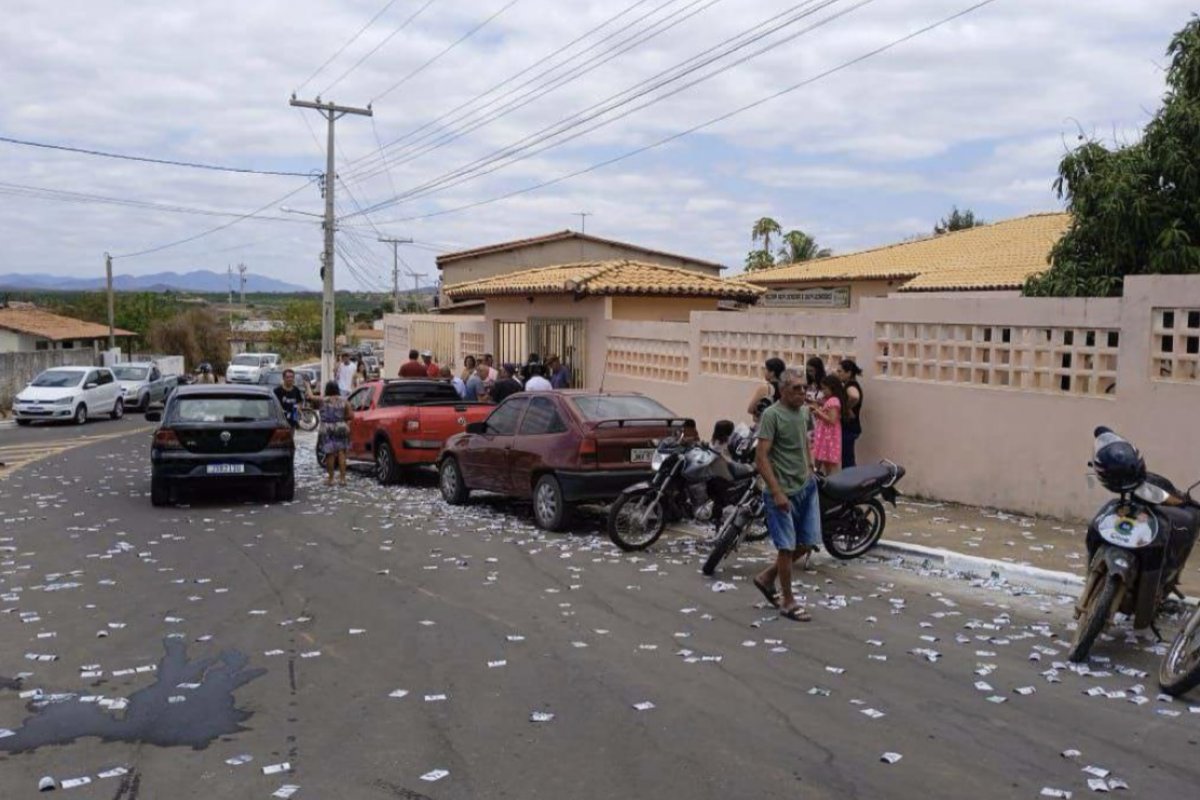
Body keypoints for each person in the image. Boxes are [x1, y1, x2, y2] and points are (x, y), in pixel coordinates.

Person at [752, 368, 818, 622]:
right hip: (781, 492)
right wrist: (777, 492)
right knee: (787, 547)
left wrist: (810, 466)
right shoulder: (772, 415)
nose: (802, 392)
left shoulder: (804, 413)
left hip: (805, 486)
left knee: (807, 542)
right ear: (782, 391)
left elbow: (804, 441)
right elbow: (761, 457)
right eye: (796, 388)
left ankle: (767, 577)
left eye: (804, 387)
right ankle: (788, 601)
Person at [317, 380, 353, 486]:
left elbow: (310, 397)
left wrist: (307, 386)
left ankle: (331, 479)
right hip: (340, 426)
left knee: (330, 453)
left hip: (326, 427)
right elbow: (351, 415)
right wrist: (341, 418)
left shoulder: (322, 400)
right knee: (342, 453)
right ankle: (342, 479)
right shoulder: (344, 400)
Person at [809, 374, 846, 475]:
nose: (823, 391)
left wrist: (818, 412)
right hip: (825, 435)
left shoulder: (834, 401)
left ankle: (830, 480)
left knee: (829, 462)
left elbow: (832, 420)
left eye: (825, 389)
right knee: (822, 459)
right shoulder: (830, 400)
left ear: (832, 388)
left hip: (829, 436)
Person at [836, 359, 864, 468]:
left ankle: (851, 477)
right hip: (850, 427)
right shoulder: (848, 385)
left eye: (840, 371)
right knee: (847, 457)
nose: (838, 374)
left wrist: (846, 408)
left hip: (849, 427)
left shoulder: (850, 386)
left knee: (847, 460)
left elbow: (854, 396)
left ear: (849, 373)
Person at [747, 357, 785, 422]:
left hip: (767, 424)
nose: (764, 372)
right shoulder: (787, 388)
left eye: (766, 369)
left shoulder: (766, 388)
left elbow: (750, 409)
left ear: (772, 373)